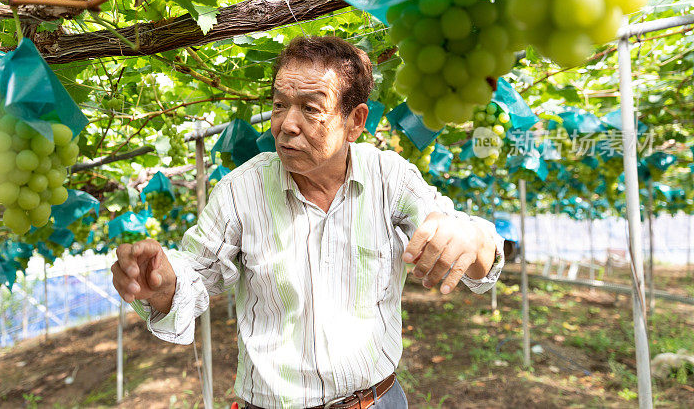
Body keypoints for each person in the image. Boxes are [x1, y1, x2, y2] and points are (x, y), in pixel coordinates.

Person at [111, 36, 504, 409]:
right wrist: (159, 283)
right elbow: (194, 274)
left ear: (355, 120)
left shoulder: (390, 177)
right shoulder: (239, 191)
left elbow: (465, 239)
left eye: (310, 108)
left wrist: (473, 239)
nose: (286, 125)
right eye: (279, 105)